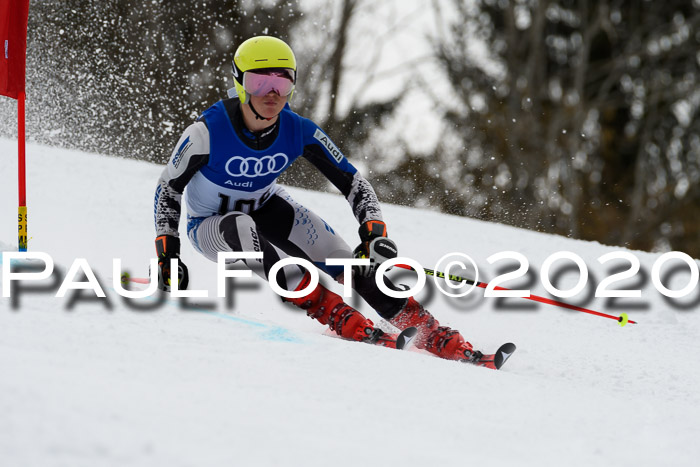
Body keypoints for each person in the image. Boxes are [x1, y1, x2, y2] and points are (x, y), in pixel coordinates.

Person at [153, 35, 478, 362]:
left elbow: (353, 181)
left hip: (265, 205)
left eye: (282, 82)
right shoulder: (207, 132)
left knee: (344, 260)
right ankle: (332, 311)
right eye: (259, 81)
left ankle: (425, 328)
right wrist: (169, 255)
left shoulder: (298, 130)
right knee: (241, 226)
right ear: (240, 83)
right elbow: (168, 189)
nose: (271, 93)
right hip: (209, 226)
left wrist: (373, 233)